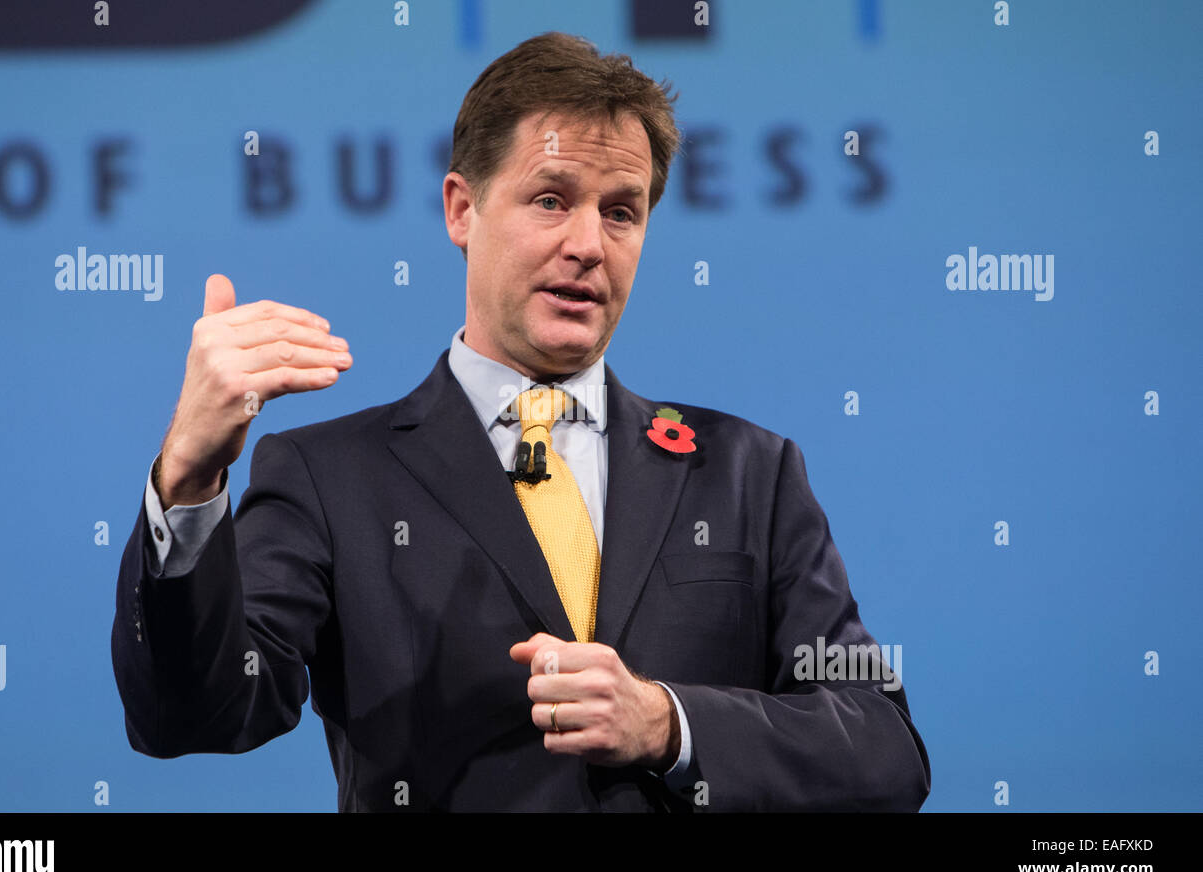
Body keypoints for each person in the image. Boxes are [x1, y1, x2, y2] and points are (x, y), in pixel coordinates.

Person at [113, 31, 931, 812]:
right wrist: (188, 478)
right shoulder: (331, 479)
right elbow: (198, 714)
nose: (588, 245)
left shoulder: (750, 473)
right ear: (461, 209)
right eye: (551, 199)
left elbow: (885, 747)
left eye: (622, 211)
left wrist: (667, 723)